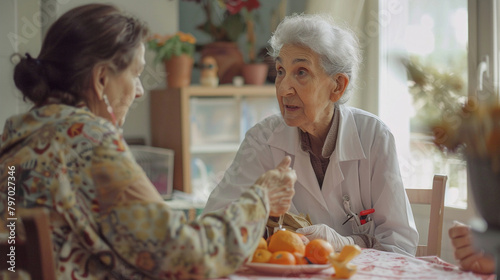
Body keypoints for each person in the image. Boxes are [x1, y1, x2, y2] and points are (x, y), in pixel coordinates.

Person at [0, 4, 296, 279]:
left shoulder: (15, 138)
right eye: (136, 74)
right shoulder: (90, 143)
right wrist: (262, 197)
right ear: (101, 79)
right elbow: (189, 255)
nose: (139, 91)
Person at [203, 13, 418, 256]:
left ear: (337, 86)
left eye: (301, 72)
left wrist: (344, 244)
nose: (283, 88)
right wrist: (257, 206)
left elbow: (399, 246)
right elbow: (211, 228)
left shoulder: (374, 136)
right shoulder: (262, 139)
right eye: (281, 70)